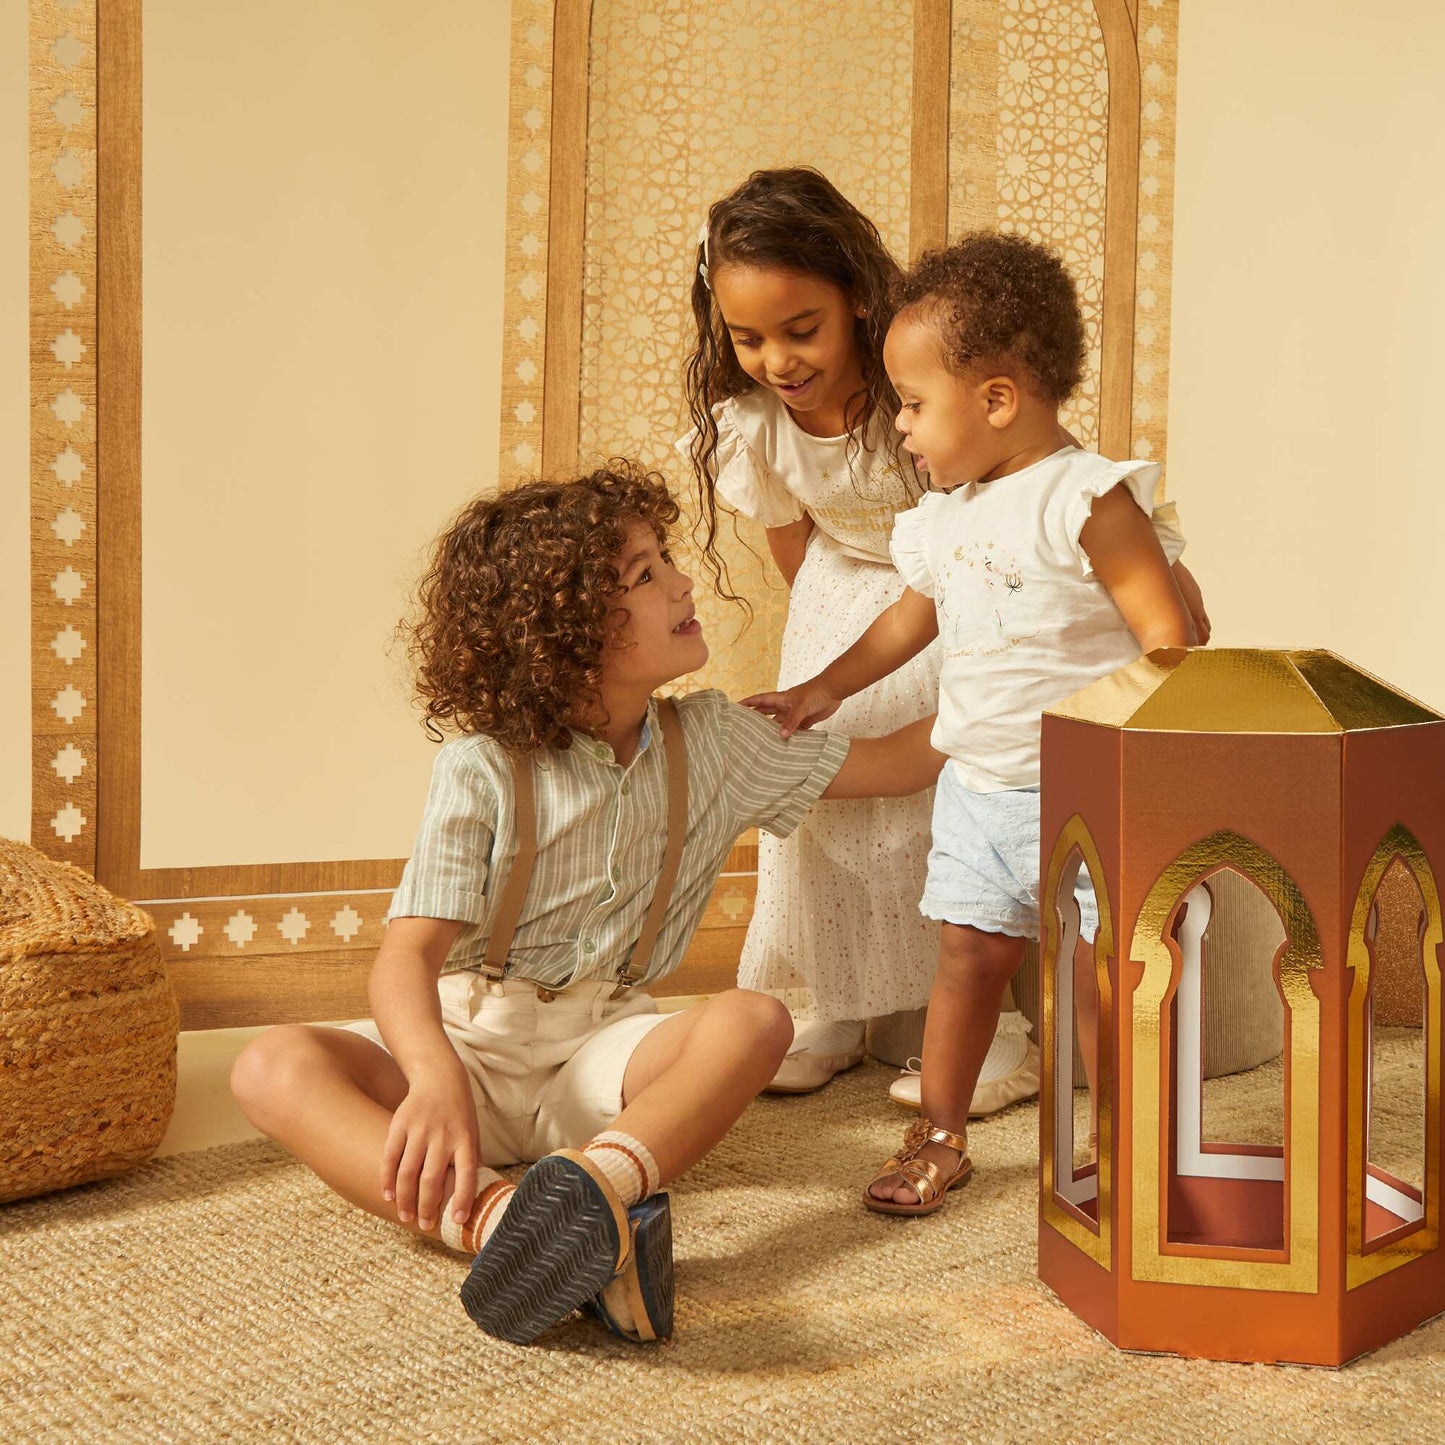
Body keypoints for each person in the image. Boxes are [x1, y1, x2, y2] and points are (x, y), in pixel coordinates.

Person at [230, 461, 944, 1344]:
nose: (683, 583)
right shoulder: (481, 768)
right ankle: (501, 1222)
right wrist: (433, 1077)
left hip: (602, 1053)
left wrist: (1020, 685)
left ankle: (594, 1190)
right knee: (269, 1068)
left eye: (663, 561)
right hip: (467, 1042)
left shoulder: (718, 742)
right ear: (561, 633)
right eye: (645, 575)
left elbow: (901, 762)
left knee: (755, 1020)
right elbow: (405, 959)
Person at [681, 167, 1208, 1101]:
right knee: (874, 858)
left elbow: (1087, 544)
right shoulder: (808, 447)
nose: (777, 358)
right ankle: (870, 1037)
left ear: (853, 302)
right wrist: (824, 676)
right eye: (749, 338)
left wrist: (1161, 620)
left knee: (1001, 878)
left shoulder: (978, 428)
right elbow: (834, 570)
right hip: (891, 643)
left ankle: (1051, 1074)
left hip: (1015, 674)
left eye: (800, 329)